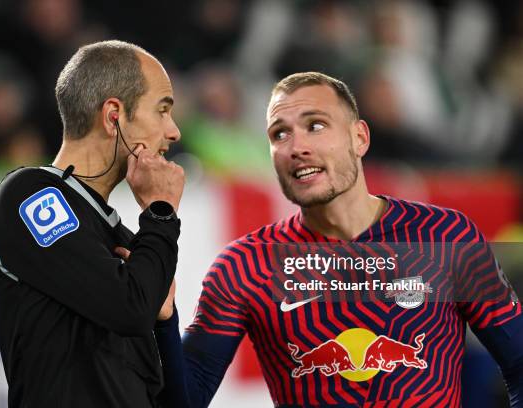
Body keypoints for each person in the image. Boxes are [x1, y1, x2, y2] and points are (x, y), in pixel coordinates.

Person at [154, 72, 523, 407]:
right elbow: (184, 399)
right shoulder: (246, 265)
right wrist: (164, 319)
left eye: (315, 125)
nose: (296, 146)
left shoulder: (446, 237)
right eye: (279, 134)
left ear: (359, 138)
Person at [0, 40, 184, 407]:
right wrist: (160, 210)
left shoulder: (130, 243)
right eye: (162, 111)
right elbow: (129, 308)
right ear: (114, 115)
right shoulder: (31, 195)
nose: (173, 131)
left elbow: (174, 400)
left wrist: (166, 322)